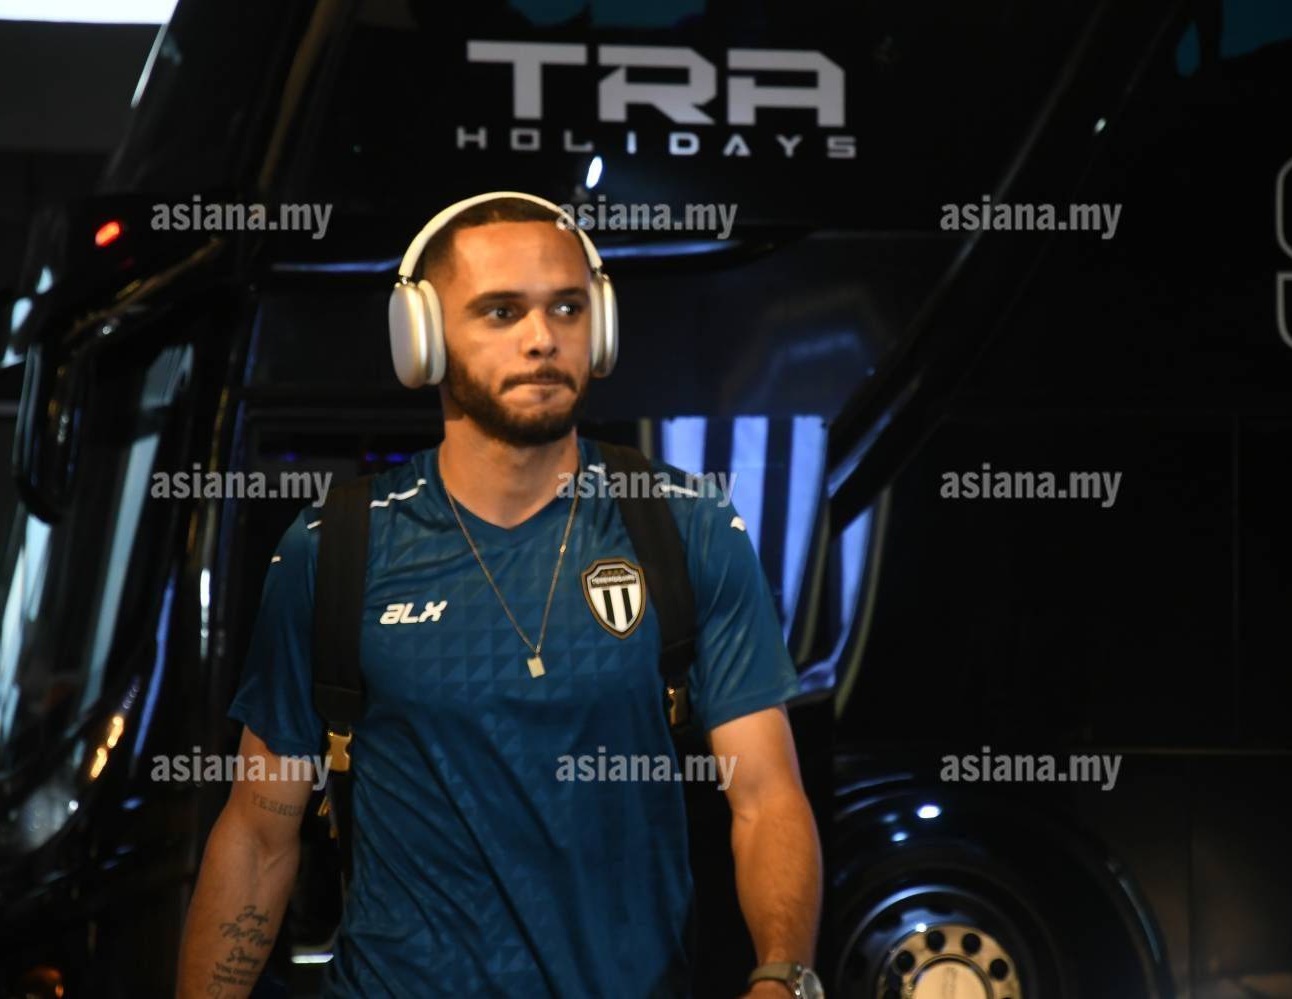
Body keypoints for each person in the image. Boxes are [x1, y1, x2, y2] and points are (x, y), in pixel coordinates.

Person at [176, 194, 823, 997]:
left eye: (568, 307)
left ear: (601, 328)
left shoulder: (685, 526)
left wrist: (783, 976)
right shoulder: (334, 547)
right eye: (501, 311)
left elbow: (766, 795)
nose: (542, 337)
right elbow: (258, 832)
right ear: (422, 337)